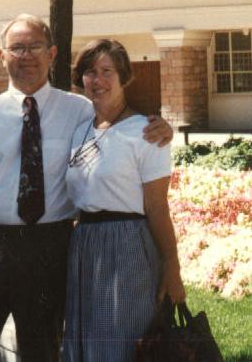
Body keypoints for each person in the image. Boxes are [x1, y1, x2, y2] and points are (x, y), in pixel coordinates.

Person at [0, 14, 173, 362]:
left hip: (49, 248)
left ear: (52, 53)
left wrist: (159, 125)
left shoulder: (79, 110)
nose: (26, 55)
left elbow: (119, 120)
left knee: (42, 353)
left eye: (35, 47)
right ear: (2, 56)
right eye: (16, 48)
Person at [62, 39, 186, 362]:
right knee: (87, 344)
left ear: (123, 77)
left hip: (127, 246)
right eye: (90, 72)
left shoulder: (146, 133)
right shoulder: (80, 131)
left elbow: (157, 207)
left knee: (121, 344)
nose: (97, 80)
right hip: (85, 247)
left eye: (107, 71)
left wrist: (172, 267)